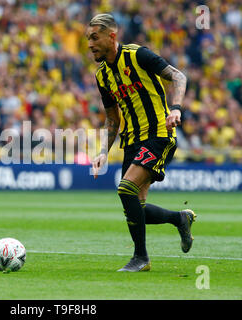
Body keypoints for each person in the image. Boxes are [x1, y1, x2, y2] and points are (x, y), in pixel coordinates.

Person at [87, 14, 196, 272]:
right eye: (87, 39)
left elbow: (179, 77)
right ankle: (180, 219)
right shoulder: (102, 76)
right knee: (137, 206)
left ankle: (141, 258)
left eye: (94, 37)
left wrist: (177, 109)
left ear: (111, 36)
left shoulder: (138, 55)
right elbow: (112, 117)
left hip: (159, 133)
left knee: (125, 189)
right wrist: (104, 151)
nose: (90, 44)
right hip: (132, 141)